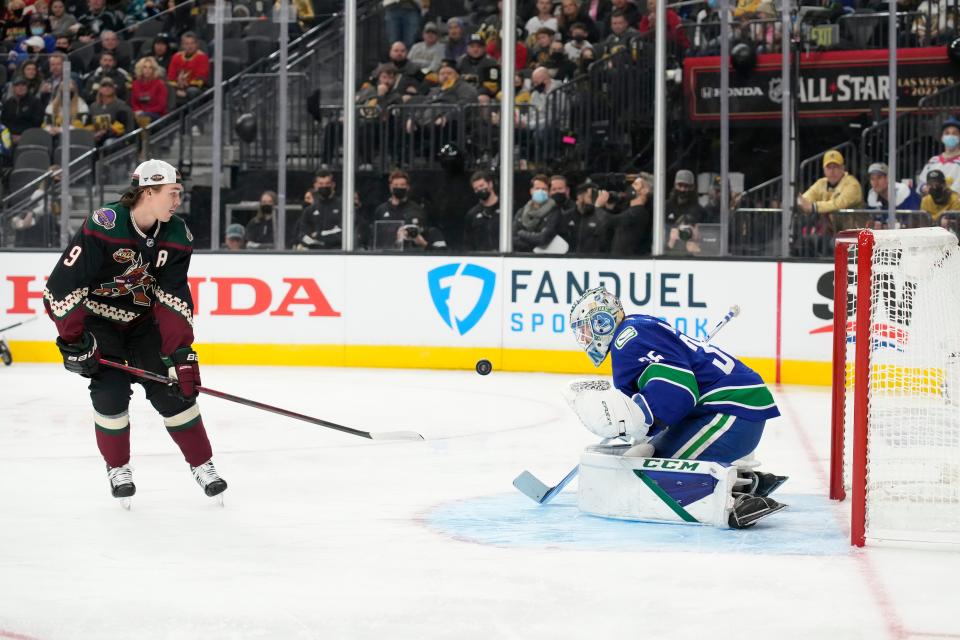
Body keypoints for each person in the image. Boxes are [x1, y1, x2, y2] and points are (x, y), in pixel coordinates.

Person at [41, 159, 227, 504]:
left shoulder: (177, 234)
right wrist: (74, 339)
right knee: (109, 394)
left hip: (144, 325)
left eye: (179, 193)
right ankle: (117, 467)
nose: (177, 200)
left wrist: (180, 353)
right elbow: (63, 285)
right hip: (99, 322)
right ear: (148, 191)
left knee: (175, 392)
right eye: (172, 193)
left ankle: (203, 465)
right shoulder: (104, 225)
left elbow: (172, 297)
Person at [566, 286, 787, 528]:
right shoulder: (636, 327)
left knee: (652, 470)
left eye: (585, 328)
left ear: (602, 322)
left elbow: (681, 391)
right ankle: (748, 480)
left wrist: (641, 416)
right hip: (730, 408)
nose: (584, 337)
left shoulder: (627, 341)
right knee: (647, 452)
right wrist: (643, 428)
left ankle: (734, 500)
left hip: (732, 412)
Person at [370, 169, 446, 250]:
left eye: (402, 185)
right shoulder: (381, 210)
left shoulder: (417, 210)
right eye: (396, 185)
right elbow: (374, 238)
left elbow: (424, 233)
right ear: (390, 187)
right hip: (386, 255)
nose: (399, 187)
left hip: (411, 255)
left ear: (408, 187)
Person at [513, 173, 565, 252]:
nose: (540, 191)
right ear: (531, 191)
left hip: (544, 259)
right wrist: (533, 244)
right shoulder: (521, 212)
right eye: (537, 188)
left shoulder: (555, 212)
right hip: (522, 258)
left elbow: (543, 239)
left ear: (549, 192)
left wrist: (521, 233)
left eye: (544, 189)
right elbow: (512, 238)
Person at [295, 170, 342, 250]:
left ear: (333, 185)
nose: (324, 186)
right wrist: (314, 242)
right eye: (321, 184)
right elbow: (302, 235)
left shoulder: (343, 207)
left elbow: (343, 235)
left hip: (337, 253)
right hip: (315, 254)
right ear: (315, 186)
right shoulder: (309, 211)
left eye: (327, 184)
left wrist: (318, 236)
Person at [664, 169, 705, 255]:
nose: (682, 189)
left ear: (692, 187)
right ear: (675, 185)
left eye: (686, 186)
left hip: (691, 252)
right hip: (668, 251)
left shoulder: (699, 210)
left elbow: (704, 236)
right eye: (680, 185)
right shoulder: (665, 207)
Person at [610, 172, 653, 255]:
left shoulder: (639, 212)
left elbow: (610, 221)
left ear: (645, 191)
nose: (631, 187)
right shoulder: (627, 209)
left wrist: (598, 207)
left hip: (628, 262)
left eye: (636, 184)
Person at [566, 180, 613, 253]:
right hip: (570, 260)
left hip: (593, 260)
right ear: (580, 197)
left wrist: (600, 208)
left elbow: (605, 239)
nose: (594, 200)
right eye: (591, 196)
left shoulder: (601, 216)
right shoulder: (567, 216)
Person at [918, 117, 960, 196]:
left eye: (954, 133)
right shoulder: (933, 161)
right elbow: (920, 184)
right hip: (932, 206)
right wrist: (924, 188)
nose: (950, 136)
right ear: (942, 138)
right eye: (947, 133)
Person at [167, 31, 210, 108]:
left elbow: (201, 78)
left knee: (192, 91)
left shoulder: (202, 57)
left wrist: (185, 90)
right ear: (182, 45)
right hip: (178, 87)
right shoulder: (176, 57)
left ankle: (192, 117)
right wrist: (176, 90)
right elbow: (171, 77)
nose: (190, 46)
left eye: (192, 43)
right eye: (186, 44)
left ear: (197, 44)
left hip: (196, 88)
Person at [463, 170, 499, 252]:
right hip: (480, 260)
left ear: (490, 184)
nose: (479, 190)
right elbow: (468, 244)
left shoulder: (505, 208)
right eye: (476, 189)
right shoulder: (472, 214)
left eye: (482, 185)